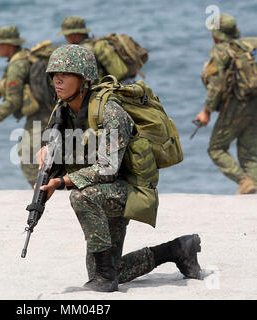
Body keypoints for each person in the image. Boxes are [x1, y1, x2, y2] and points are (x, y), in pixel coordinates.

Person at [37, 44, 202, 292]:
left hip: (128, 188)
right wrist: (47, 157)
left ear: (84, 79)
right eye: (54, 74)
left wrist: (62, 183)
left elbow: (108, 168)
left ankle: (105, 278)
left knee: (81, 197)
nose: (57, 80)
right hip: (102, 191)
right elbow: (69, 156)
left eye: (65, 74)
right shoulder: (62, 112)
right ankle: (177, 249)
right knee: (115, 270)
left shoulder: (111, 112)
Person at [0, 26, 53, 187]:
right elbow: (13, 85)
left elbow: (13, 101)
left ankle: (43, 191)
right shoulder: (25, 56)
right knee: (42, 154)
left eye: (0, 44)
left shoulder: (16, 65)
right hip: (46, 112)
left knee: (27, 156)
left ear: (9, 45)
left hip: (40, 116)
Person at [195, 13, 257, 195]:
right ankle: (253, 187)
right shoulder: (251, 45)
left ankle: (243, 181)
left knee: (216, 148)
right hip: (254, 104)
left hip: (236, 106)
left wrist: (206, 111)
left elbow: (216, 86)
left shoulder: (219, 52)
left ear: (215, 36)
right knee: (249, 152)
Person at [57, 15, 148, 84]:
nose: (66, 38)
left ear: (73, 35)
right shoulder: (98, 42)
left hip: (109, 90)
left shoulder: (82, 51)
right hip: (128, 83)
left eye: (66, 35)